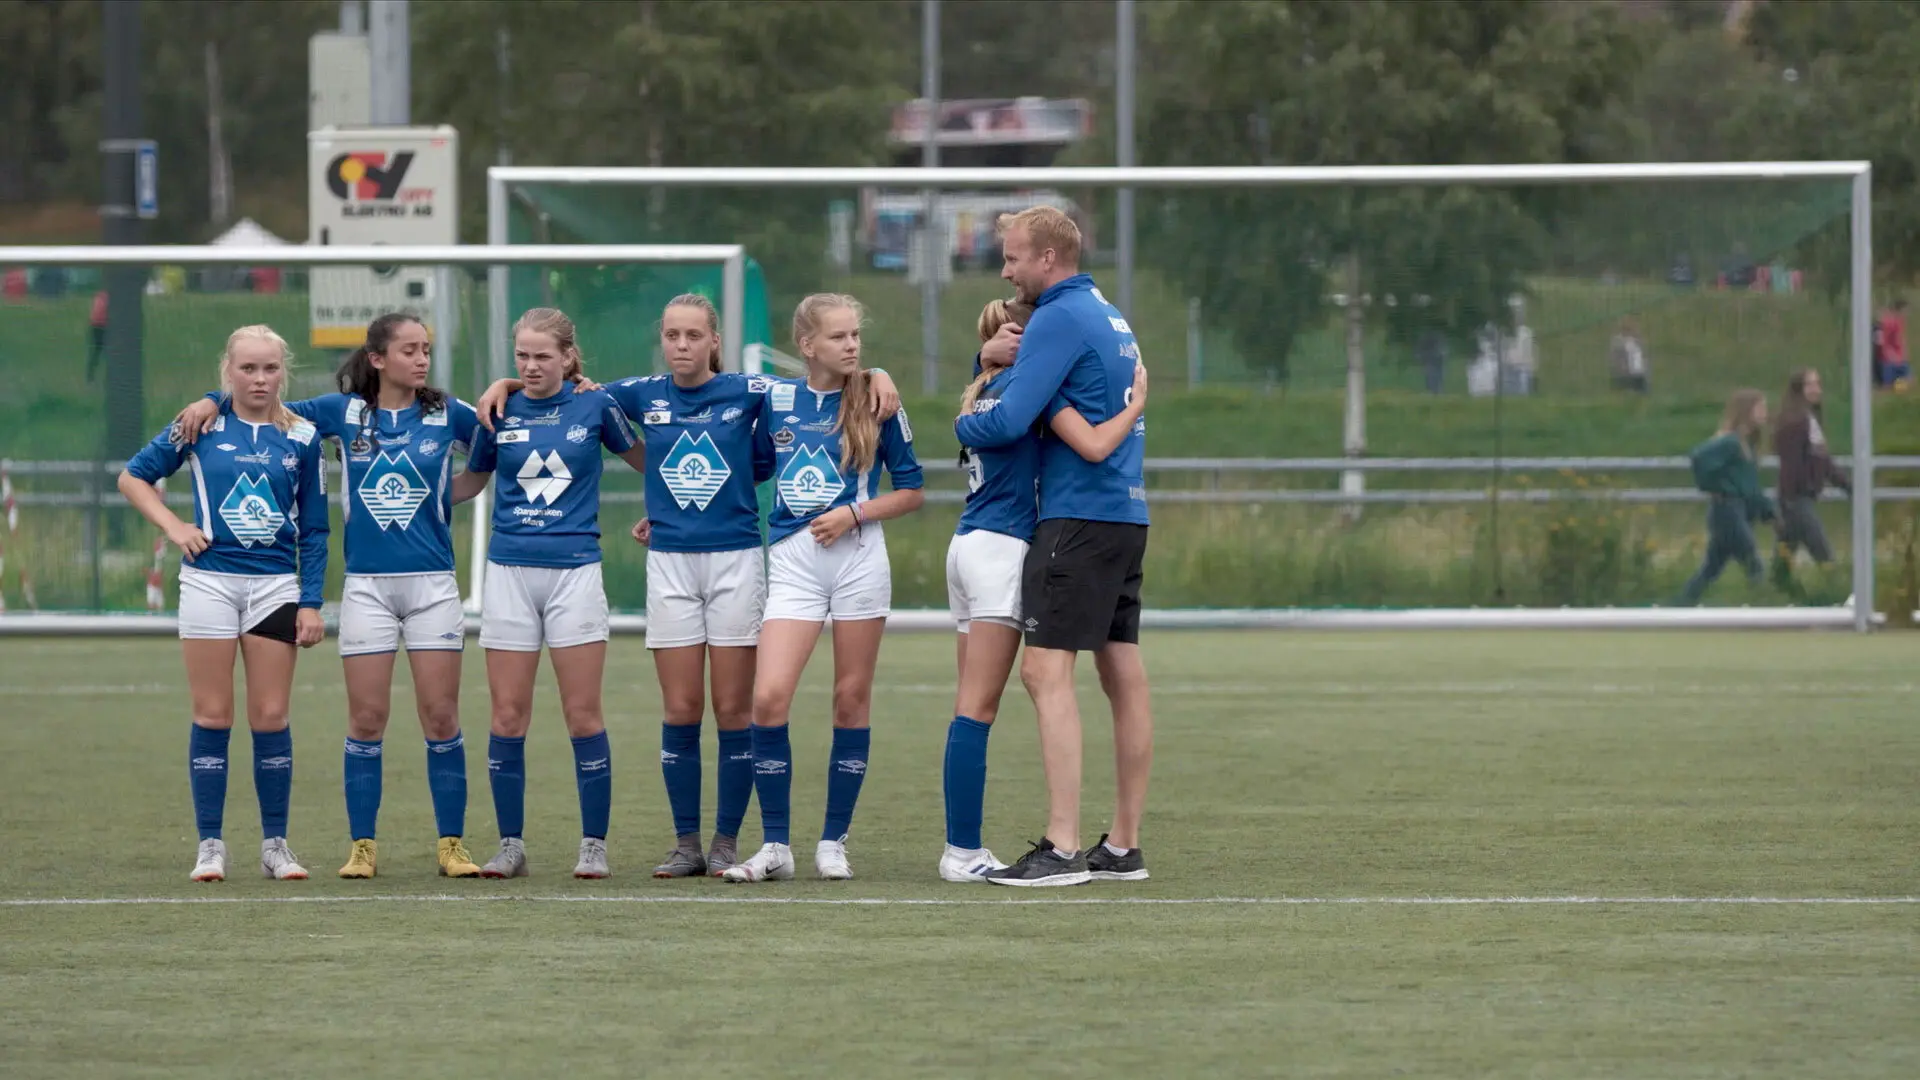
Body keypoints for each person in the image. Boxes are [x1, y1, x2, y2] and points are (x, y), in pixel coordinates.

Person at [475, 297, 901, 879]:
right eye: (672, 334)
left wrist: (878, 373)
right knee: (680, 708)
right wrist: (503, 382)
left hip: (736, 559)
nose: (682, 345)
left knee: (733, 710)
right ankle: (686, 844)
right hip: (670, 563)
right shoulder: (635, 394)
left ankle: (727, 841)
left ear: (713, 340)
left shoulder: (753, 392)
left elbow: (820, 378)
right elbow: (560, 380)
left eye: (694, 335)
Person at [168, 313, 491, 880]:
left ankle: (451, 845)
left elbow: (489, 448)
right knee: (367, 717)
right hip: (364, 585)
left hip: (434, 583)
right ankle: (362, 847)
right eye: (410, 350)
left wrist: (449, 493)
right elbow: (262, 399)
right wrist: (207, 400)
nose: (421, 360)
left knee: (441, 715)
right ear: (377, 359)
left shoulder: (446, 412)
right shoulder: (341, 413)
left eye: (426, 350)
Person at [955, 206, 1154, 888]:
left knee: (1044, 674)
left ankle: (1062, 847)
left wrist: (961, 417)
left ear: (1047, 259)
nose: (1006, 271)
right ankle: (1123, 846)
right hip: (1127, 514)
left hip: (1076, 518)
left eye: (1012, 258)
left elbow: (1007, 419)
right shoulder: (1107, 313)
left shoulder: (1060, 317)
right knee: (1121, 674)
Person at [722, 294, 925, 883]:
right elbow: (751, 468)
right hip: (792, 562)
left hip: (860, 558)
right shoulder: (775, 399)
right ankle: (776, 846)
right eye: (838, 337)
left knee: (849, 700)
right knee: (768, 699)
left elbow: (912, 490)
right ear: (806, 346)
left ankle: (833, 840)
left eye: (856, 335)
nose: (853, 346)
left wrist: (855, 516)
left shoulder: (878, 399)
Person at [117, 325, 329, 882]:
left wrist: (310, 601)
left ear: (284, 371)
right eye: (247, 369)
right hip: (209, 583)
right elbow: (133, 477)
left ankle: (275, 845)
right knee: (213, 714)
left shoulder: (305, 436)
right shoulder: (199, 425)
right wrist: (174, 526)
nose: (259, 379)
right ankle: (210, 845)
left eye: (270, 368)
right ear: (227, 371)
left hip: (276, 587)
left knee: (271, 715)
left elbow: (315, 529)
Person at [465, 308, 648, 879]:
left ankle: (593, 844)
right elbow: (472, 481)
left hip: (575, 573)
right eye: (522, 356)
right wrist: (413, 501)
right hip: (509, 576)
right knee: (507, 715)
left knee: (582, 715)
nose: (531, 365)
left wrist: (661, 516)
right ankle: (511, 845)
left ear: (568, 357)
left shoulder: (596, 406)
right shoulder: (499, 409)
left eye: (543, 355)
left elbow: (650, 462)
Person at [1678, 389, 1774, 605]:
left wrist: (1767, 510)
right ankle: (1765, 606)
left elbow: (1750, 486)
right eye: (1760, 408)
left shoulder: (1745, 444)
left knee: (1710, 570)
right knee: (1753, 563)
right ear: (1746, 411)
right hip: (1727, 511)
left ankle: (1679, 604)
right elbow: (1699, 456)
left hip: (1737, 510)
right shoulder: (1730, 442)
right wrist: (1713, 485)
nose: (1764, 414)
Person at [1770, 368, 1851, 595]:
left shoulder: (1809, 420)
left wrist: (1847, 486)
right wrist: (1792, 498)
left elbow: (1823, 461)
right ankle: (1842, 595)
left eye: (1818, 383)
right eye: (1810, 384)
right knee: (1822, 551)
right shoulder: (1795, 422)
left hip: (1798, 497)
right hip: (1796, 499)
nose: (1816, 389)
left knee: (1783, 559)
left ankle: (1774, 597)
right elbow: (1793, 464)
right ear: (1799, 389)